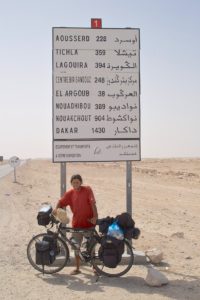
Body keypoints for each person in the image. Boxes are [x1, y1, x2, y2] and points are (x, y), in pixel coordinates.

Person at [53, 174, 98, 275]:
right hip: (77, 224)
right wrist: (56, 209)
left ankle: (95, 268)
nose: (75, 184)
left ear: (81, 182)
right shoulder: (70, 193)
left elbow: (93, 204)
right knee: (76, 247)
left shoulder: (87, 190)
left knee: (91, 247)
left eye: (77, 182)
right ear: (71, 183)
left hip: (89, 223)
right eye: (73, 182)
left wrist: (95, 217)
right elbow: (60, 201)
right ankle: (77, 268)